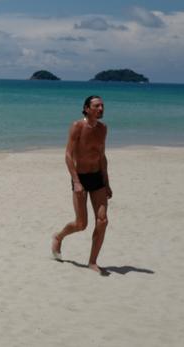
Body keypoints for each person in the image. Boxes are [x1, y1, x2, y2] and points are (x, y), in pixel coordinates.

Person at [52, 95, 112, 274]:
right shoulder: (77, 126)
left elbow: (102, 156)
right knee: (81, 224)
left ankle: (93, 261)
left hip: (97, 178)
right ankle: (59, 236)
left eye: (102, 106)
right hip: (80, 178)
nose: (101, 109)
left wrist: (107, 182)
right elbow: (68, 155)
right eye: (96, 106)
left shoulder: (103, 129)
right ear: (86, 109)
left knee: (102, 221)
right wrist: (76, 182)